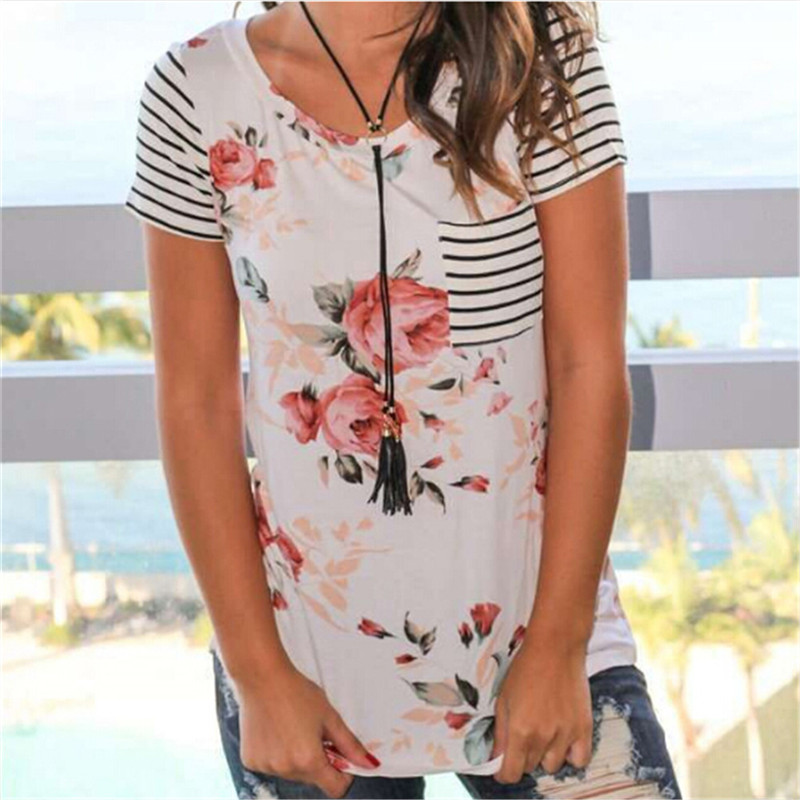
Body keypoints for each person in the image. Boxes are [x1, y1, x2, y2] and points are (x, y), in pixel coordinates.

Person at [125, 2, 683, 798]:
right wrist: (259, 676)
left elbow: (588, 364)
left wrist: (560, 645)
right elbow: (196, 404)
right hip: (303, 668)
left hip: (548, 640)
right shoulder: (197, 88)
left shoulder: (537, 55)